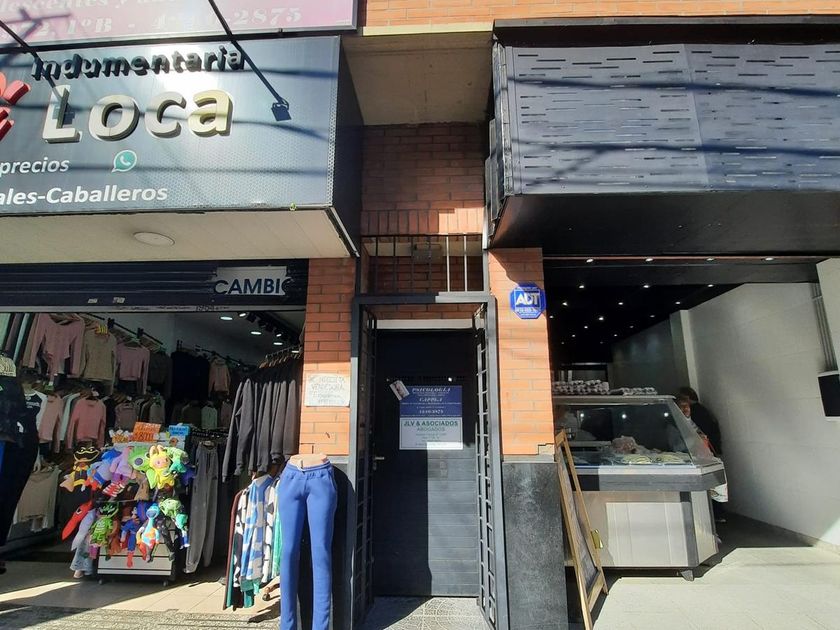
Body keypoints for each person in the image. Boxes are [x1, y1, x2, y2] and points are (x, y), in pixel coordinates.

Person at [679, 386, 722, 456]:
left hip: (704, 447)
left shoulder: (695, 411)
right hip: (710, 446)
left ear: (687, 398)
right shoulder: (701, 409)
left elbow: (699, 431)